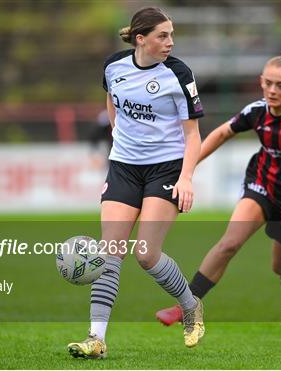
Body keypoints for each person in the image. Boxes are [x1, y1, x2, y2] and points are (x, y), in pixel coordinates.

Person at [155, 51, 281, 332]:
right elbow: (220, 134)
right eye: (268, 83)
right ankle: (186, 305)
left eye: (280, 85)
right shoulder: (256, 111)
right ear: (261, 81)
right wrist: (187, 169)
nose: (272, 90)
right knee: (229, 243)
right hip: (260, 187)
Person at [67, 7, 205, 359]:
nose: (170, 42)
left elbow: (193, 136)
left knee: (145, 254)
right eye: (162, 35)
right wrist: (120, 145)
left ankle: (190, 306)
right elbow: (111, 104)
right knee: (108, 254)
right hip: (124, 168)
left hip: (166, 169)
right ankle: (96, 339)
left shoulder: (178, 73)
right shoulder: (114, 66)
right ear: (140, 39)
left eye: (172, 35)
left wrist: (186, 178)